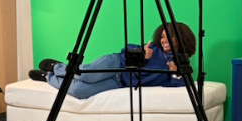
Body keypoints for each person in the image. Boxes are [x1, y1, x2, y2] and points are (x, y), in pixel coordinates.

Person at [39, 23, 196, 100]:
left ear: (181, 39)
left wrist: (175, 72)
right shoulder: (153, 48)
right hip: (117, 64)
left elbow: (184, 83)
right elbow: (126, 50)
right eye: (162, 36)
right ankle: (57, 67)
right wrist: (142, 54)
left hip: (121, 81)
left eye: (169, 36)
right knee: (85, 75)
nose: (164, 40)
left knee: (79, 91)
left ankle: (47, 77)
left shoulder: (181, 62)